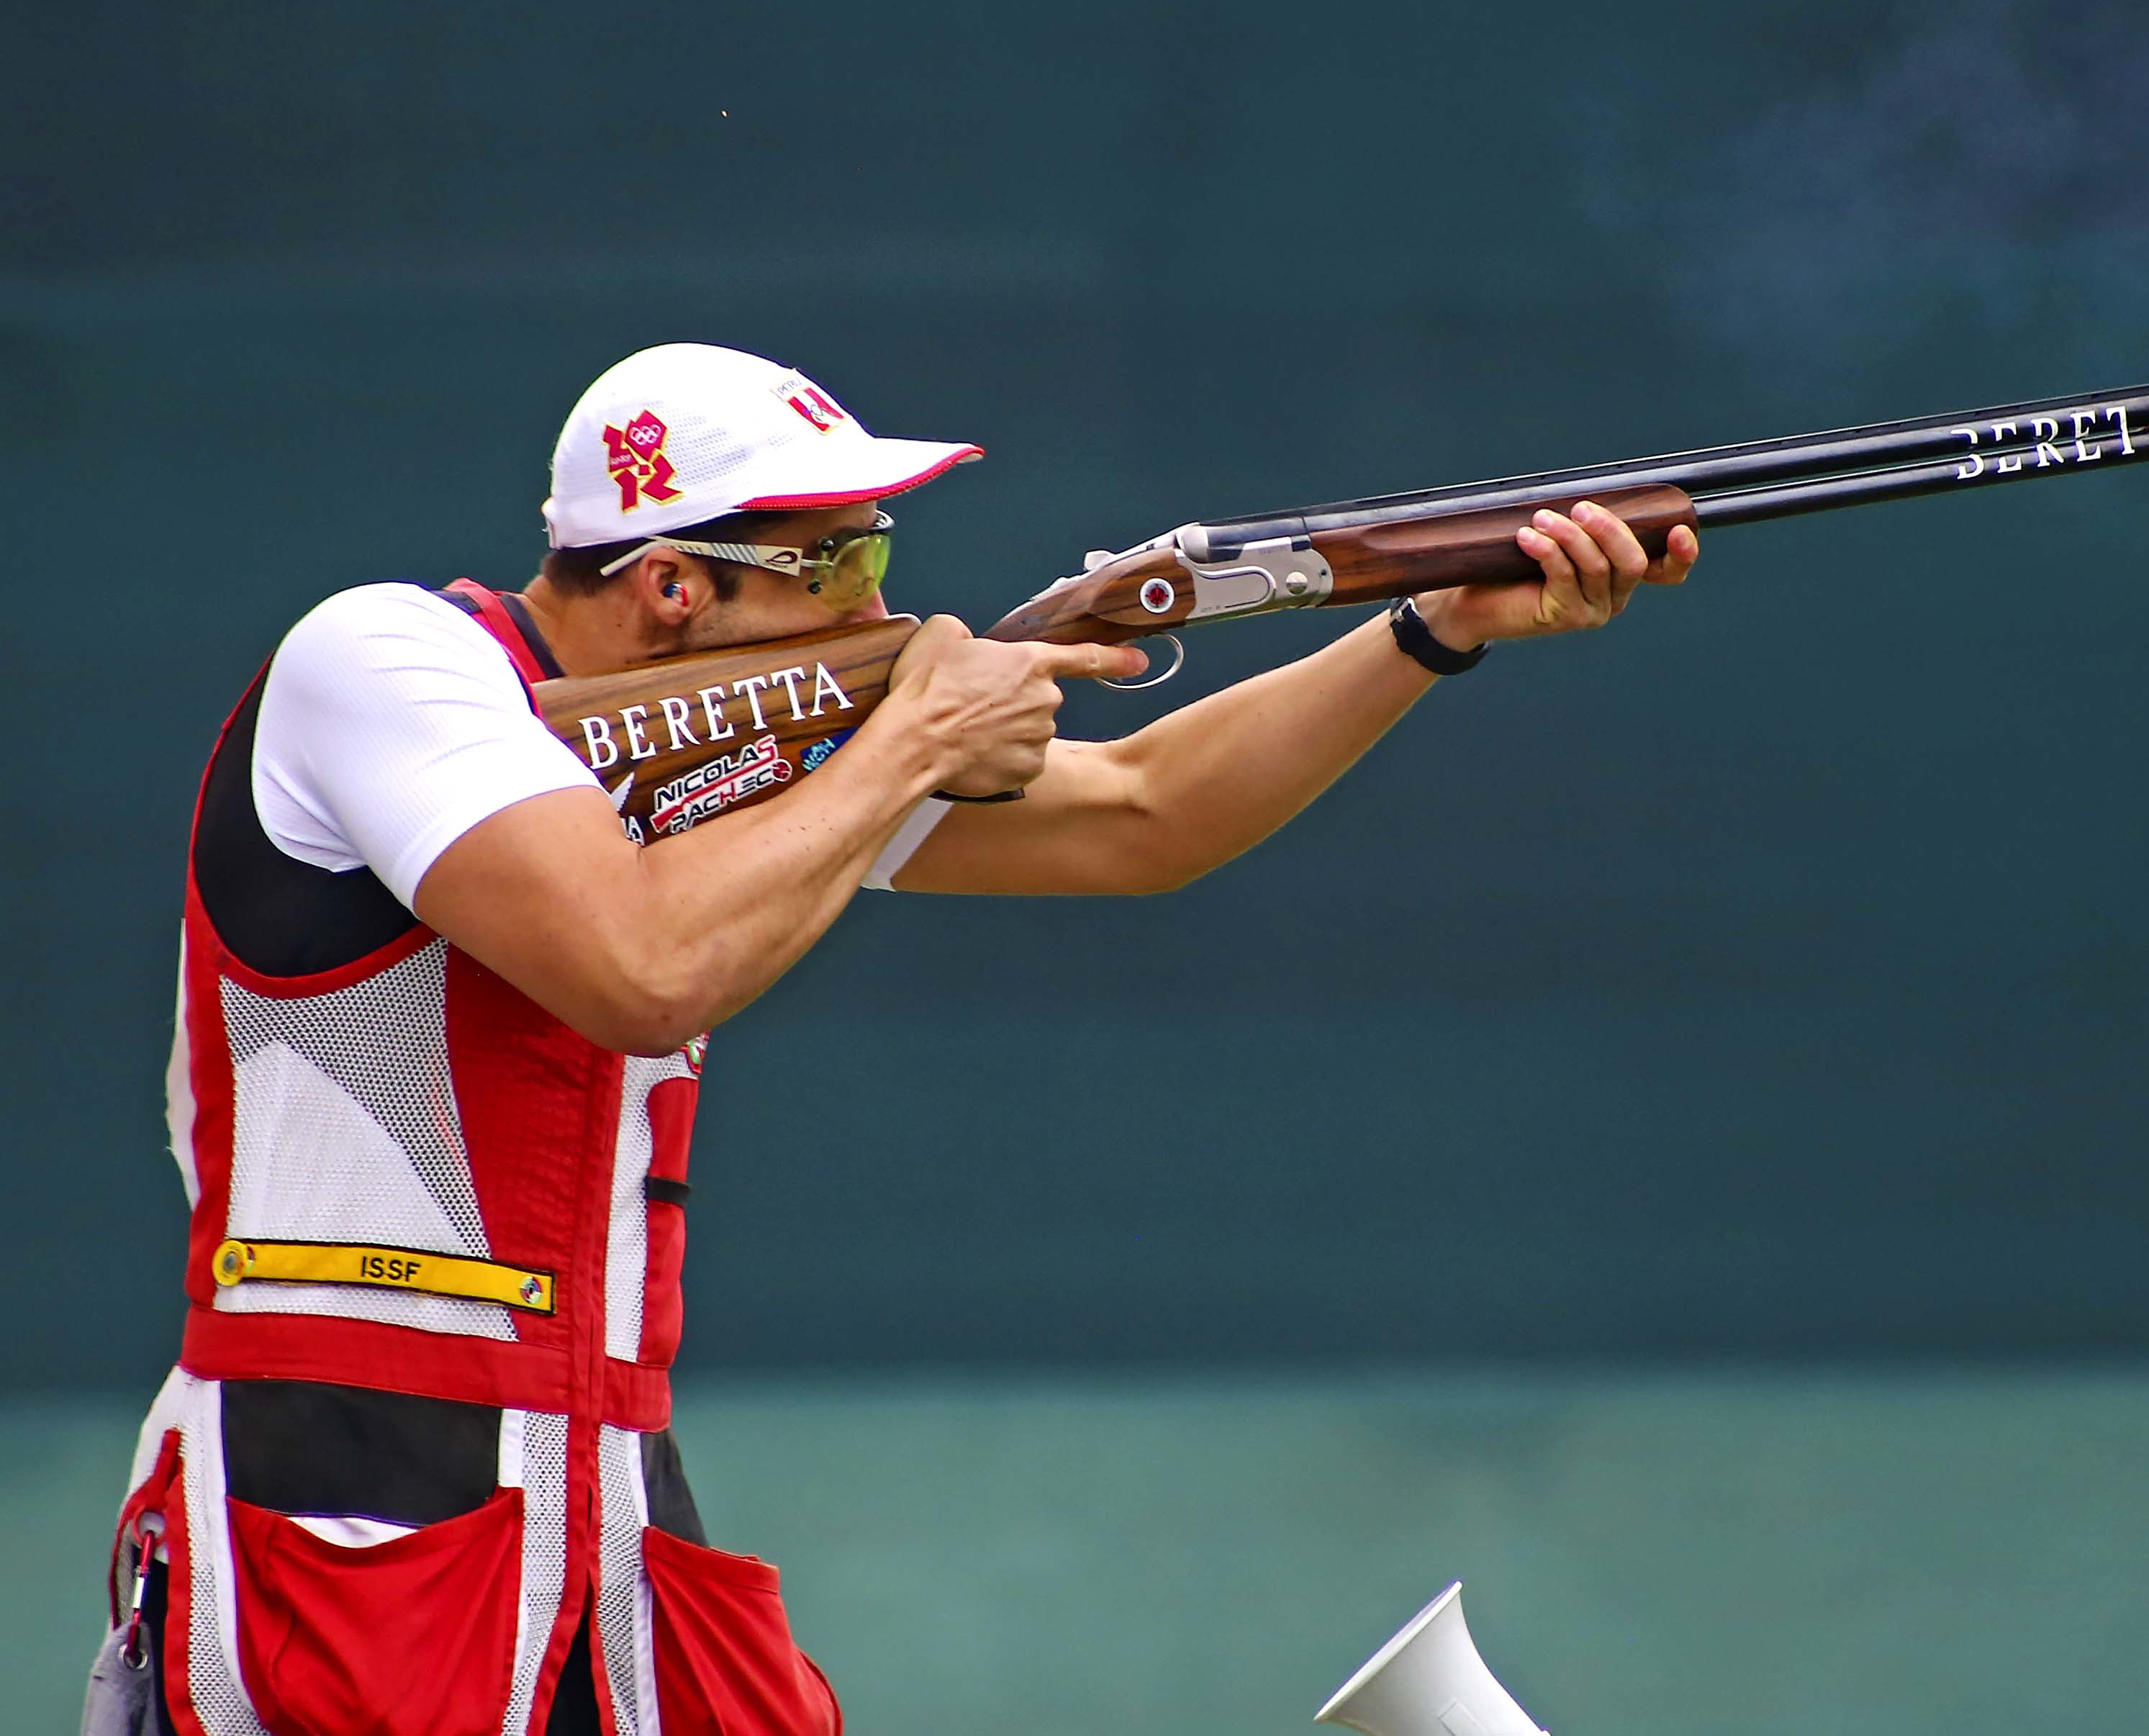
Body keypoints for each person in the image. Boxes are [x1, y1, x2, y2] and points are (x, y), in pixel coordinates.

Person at [92, 341, 1699, 1736]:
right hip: (338, 1496)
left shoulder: (751, 768)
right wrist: (911, 737)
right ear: (674, 586)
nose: (888, 599)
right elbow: (642, 967)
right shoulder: (383, 661)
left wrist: (1430, 629)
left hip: (597, 1504)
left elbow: (1149, 815)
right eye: (846, 567)